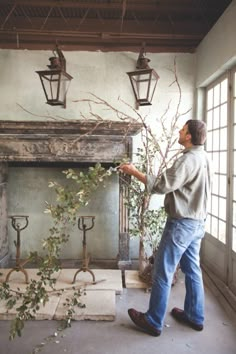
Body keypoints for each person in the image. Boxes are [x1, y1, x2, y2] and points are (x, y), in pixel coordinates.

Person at [119, 119, 212, 337]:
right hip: (198, 223)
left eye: (182, 129)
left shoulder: (188, 160)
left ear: (188, 136)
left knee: (163, 270)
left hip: (181, 224)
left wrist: (134, 172)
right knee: (192, 270)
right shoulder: (205, 157)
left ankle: (153, 320)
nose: (179, 131)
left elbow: (161, 185)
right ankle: (194, 316)